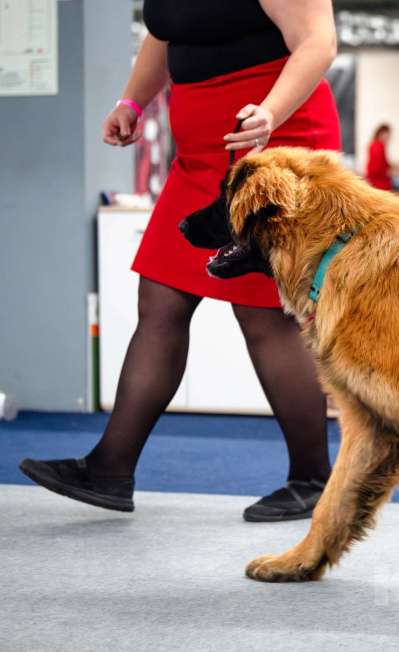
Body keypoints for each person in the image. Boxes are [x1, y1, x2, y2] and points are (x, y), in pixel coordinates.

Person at [19, 0, 341, 522]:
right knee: (161, 299)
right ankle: (110, 468)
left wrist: (270, 112)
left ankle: (314, 479)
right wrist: (132, 101)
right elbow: (165, 35)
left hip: (273, 141)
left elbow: (318, 42)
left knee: (262, 313)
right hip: (198, 155)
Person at [365, 123, 396, 190]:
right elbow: (376, 168)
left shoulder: (374, 145)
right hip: (379, 183)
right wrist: (390, 171)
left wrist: (392, 166)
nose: (389, 137)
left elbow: (382, 163)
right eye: (388, 135)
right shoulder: (378, 146)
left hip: (376, 181)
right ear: (381, 134)